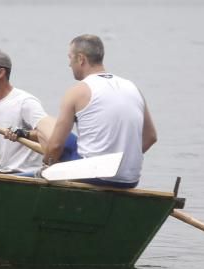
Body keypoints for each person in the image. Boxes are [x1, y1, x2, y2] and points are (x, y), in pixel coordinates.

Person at [44, 34, 157, 188]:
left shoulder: (77, 91)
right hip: (129, 179)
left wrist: (47, 167)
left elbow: (56, 146)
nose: (69, 64)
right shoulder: (132, 87)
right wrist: (124, 162)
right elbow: (151, 137)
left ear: (81, 59)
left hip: (92, 176)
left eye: (70, 58)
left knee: (47, 128)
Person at [0, 48, 77, 173]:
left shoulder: (25, 102)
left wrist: (22, 133)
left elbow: (49, 134)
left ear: (1, 73)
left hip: (27, 173)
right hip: (4, 171)